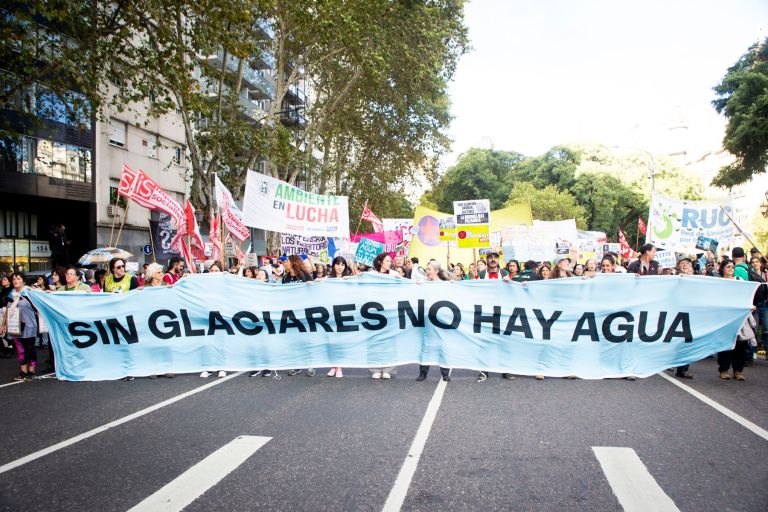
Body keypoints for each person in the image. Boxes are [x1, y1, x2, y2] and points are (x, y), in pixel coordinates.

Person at [416, 261, 451, 382]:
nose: (427, 271)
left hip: (441, 319)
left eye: (429, 269)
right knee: (425, 345)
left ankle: (445, 373)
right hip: (426, 319)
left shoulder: (444, 284)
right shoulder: (424, 283)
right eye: (427, 269)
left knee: (442, 345)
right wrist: (416, 285)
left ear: (436, 271)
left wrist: (452, 285)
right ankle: (423, 372)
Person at [281, 255, 315, 377]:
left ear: (293, 262)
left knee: (306, 339)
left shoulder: (304, 275)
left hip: (304, 312)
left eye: (287, 261)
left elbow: (313, 290)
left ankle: (310, 365)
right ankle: (296, 365)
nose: (285, 263)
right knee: (294, 340)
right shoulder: (285, 277)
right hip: (291, 313)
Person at [1, 273, 39, 381]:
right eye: (14, 279)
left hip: (29, 325)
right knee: (20, 349)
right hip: (15, 325)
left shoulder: (29, 292)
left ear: (24, 281)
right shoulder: (11, 294)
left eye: (18, 278)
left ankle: (31, 371)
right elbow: (7, 311)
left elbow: (39, 307)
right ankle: (23, 371)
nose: (15, 280)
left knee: (30, 348)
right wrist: (3, 325)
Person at [717, 259, 750, 380]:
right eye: (728, 267)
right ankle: (724, 369)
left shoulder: (739, 280)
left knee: (741, 343)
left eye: (732, 267)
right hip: (725, 316)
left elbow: (746, 294)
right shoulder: (718, 282)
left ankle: (738, 370)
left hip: (739, 315)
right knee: (726, 343)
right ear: (722, 269)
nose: (731, 269)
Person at [369, 252, 398, 380]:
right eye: (387, 260)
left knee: (390, 341)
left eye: (390, 261)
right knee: (374, 340)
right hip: (374, 312)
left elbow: (408, 283)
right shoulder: (372, 275)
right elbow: (357, 279)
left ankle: (388, 369)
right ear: (380, 262)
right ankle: (375, 369)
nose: (390, 263)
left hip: (390, 312)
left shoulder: (394, 275)